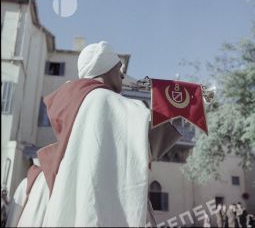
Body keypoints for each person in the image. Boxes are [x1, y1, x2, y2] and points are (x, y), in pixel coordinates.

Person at [6, 41, 182, 227]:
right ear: (106, 69)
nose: (122, 74)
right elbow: (145, 138)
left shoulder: (81, 100)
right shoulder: (103, 100)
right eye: (118, 67)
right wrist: (180, 104)